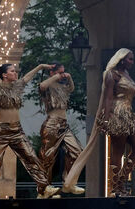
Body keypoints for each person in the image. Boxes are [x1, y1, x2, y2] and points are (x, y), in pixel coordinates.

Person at [62, 48, 135, 196]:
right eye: (130, 59)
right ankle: (117, 187)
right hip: (116, 114)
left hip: (129, 115)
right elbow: (107, 98)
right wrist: (106, 119)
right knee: (118, 151)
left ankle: (121, 180)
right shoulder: (112, 75)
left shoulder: (127, 75)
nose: (132, 62)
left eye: (133, 59)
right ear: (122, 59)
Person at [0, 59, 60, 199]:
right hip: (1, 131)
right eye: (12, 71)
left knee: (31, 158)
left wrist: (40, 66)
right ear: (5, 75)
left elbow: (27, 77)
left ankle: (44, 189)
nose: (15, 73)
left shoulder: (17, 87)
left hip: (17, 131)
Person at [38, 62, 84, 195]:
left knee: (77, 151)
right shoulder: (47, 85)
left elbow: (71, 89)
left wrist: (69, 78)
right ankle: (44, 189)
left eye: (64, 72)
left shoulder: (62, 86)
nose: (63, 75)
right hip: (52, 124)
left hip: (64, 125)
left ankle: (69, 183)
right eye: (60, 72)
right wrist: (55, 76)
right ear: (52, 73)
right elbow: (42, 85)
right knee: (48, 157)